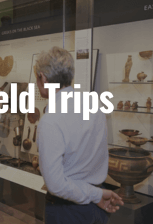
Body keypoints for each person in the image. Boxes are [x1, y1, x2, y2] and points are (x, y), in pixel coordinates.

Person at [35, 46, 123, 224]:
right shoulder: (94, 105)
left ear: (43, 78)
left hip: (68, 209)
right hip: (97, 204)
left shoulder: (50, 121)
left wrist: (95, 195)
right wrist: (96, 195)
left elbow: (56, 185)